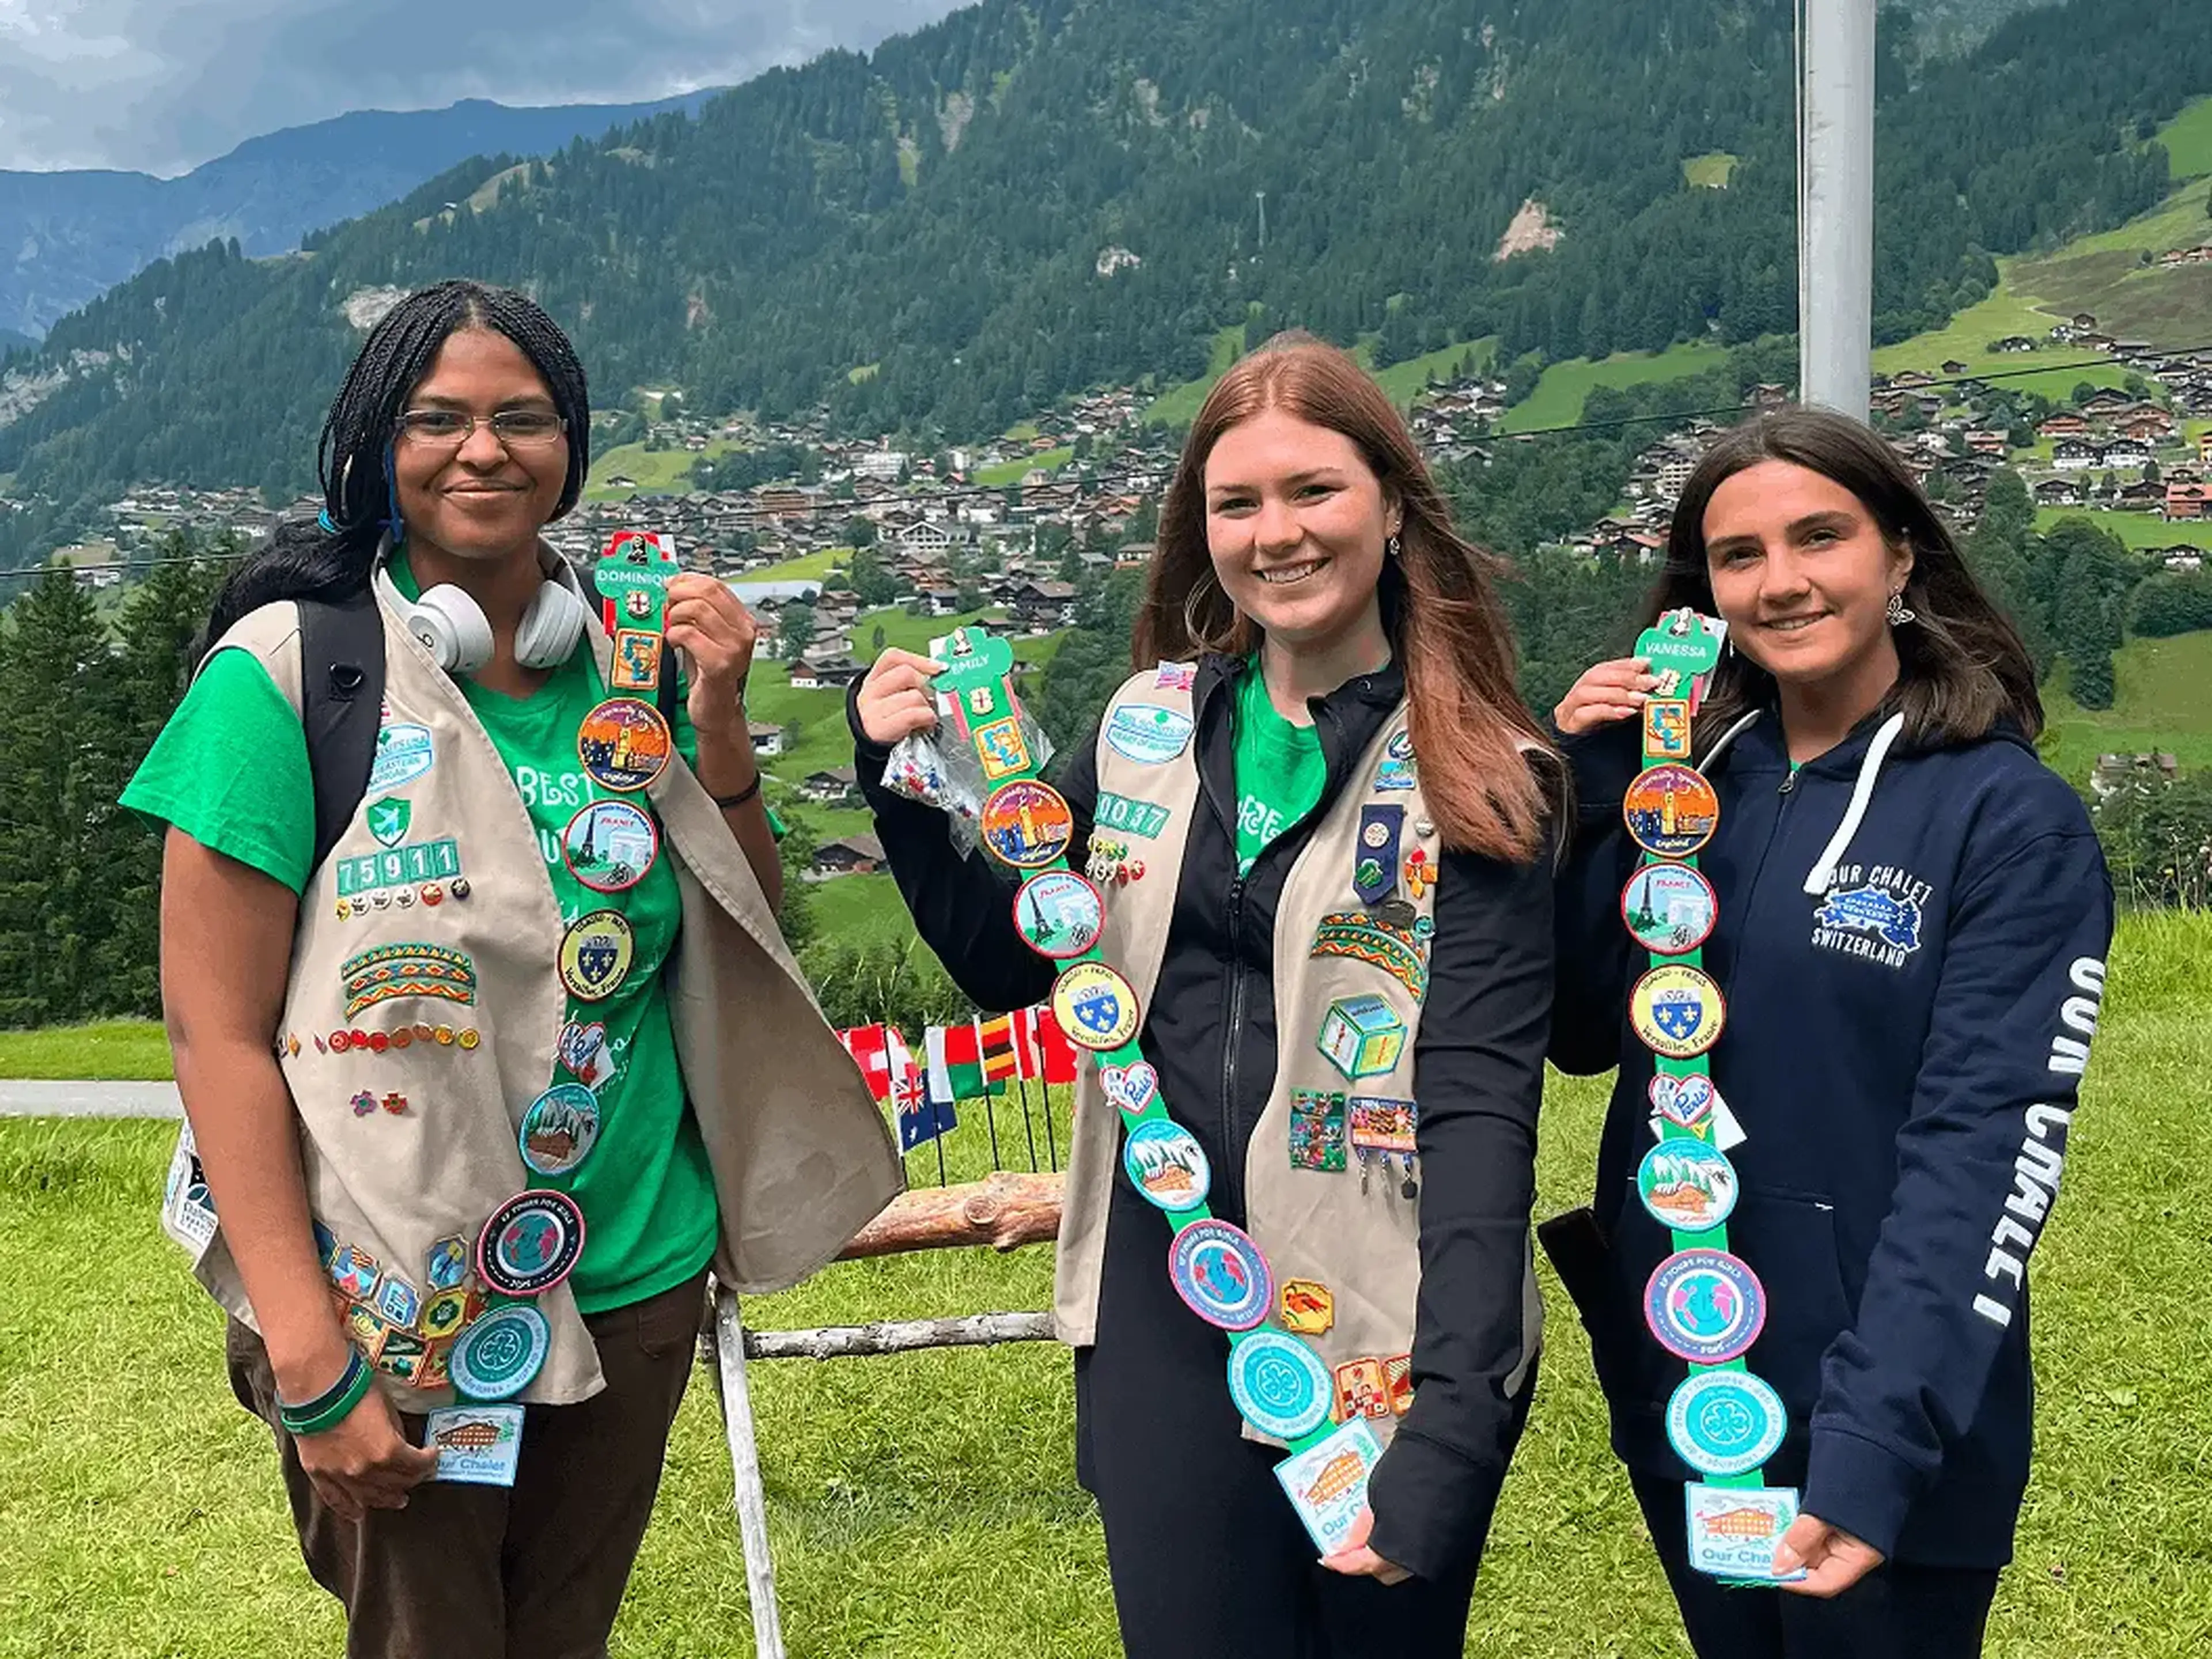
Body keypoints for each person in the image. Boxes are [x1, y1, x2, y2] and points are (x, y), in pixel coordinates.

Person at [122, 279, 899, 1658]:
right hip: (392, 1305)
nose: (483, 451)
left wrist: (715, 728)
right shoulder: (289, 678)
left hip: (639, 1275)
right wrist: (307, 1356)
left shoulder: (625, 665)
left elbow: (737, 918)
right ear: (377, 447)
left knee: (562, 1641)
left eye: (522, 419)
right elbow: (216, 1036)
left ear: (570, 447)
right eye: (438, 420)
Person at [851, 333, 1559, 1656]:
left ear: (1393, 507)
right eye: (1238, 504)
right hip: (1162, 1298)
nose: (1277, 534)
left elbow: (1482, 1110)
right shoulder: (1142, 726)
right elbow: (1022, 954)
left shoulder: (1485, 768)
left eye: (1315, 492)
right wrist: (895, 781)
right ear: (1203, 530)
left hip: (1384, 1307)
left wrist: (1456, 1421)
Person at [1547, 409, 2113, 1658]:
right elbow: (1588, 1032)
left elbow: (1986, 1153)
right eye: (1738, 555)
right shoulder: (1682, 788)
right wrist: (1592, 793)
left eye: (1821, 537)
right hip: (1697, 1391)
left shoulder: (2006, 820)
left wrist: (1874, 1449)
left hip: (1882, 1430)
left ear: (1902, 555)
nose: (1782, 581)